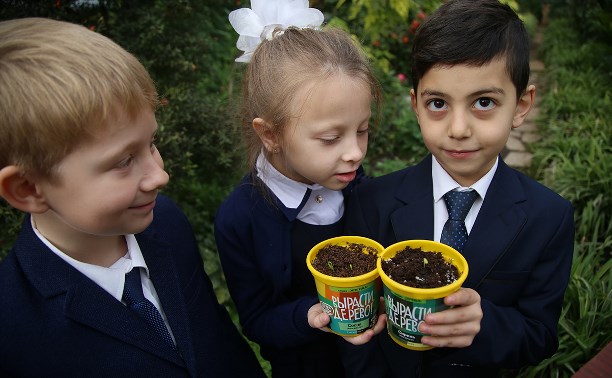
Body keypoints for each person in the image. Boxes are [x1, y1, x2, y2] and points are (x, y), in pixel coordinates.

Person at [0, 17, 265, 377]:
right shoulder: (13, 328)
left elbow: (213, 334)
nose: (160, 175)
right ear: (28, 189)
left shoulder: (166, 221)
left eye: (151, 143)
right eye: (124, 161)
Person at [343, 0, 575, 377]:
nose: (458, 129)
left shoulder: (548, 217)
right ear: (416, 105)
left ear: (521, 105)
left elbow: (540, 335)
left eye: (484, 102)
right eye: (438, 103)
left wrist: (486, 325)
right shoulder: (373, 201)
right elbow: (359, 322)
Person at [214, 1, 386, 376]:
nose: (355, 153)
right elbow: (257, 320)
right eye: (330, 138)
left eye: (362, 130)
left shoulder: (357, 186)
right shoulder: (239, 218)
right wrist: (314, 315)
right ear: (270, 134)